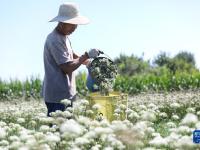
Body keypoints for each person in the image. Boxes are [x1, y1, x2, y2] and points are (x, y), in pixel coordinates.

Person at [42, 3, 100, 116]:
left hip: (65, 94)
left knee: (66, 131)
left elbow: (70, 54)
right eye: (72, 24)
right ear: (62, 23)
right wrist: (86, 55)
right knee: (57, 131)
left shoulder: (64, 37)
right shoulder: (54, 40)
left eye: (76, 24)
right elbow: (66, 68)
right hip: (57, 97)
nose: (75, 28)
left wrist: (86, 62)